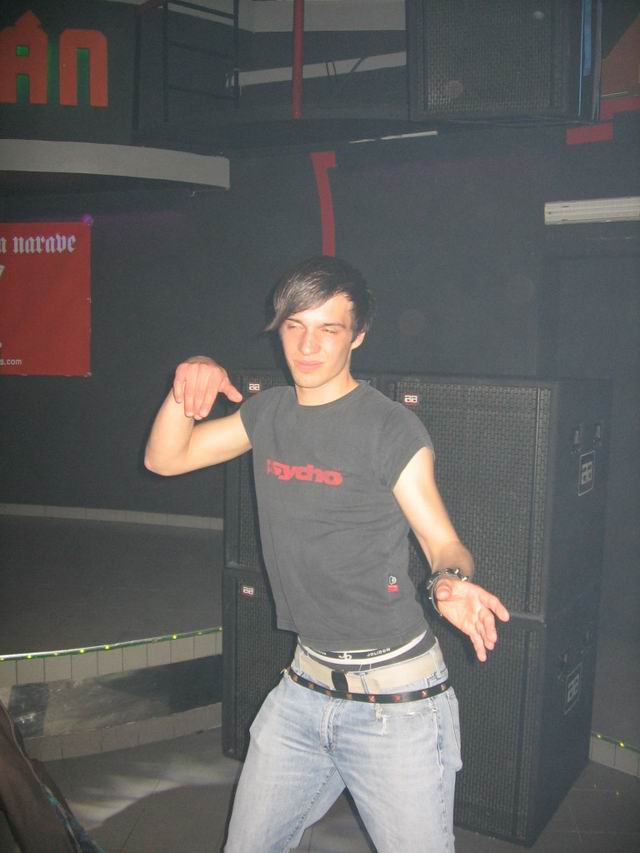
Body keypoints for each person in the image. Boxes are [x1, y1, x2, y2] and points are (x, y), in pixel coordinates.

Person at [145, 257, 510, 853]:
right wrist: (188, 387)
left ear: (357, 335)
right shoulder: (266, 413)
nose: (308, 346)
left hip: (396, 703)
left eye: (328, 329)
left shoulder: (390, 429)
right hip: (303, 688)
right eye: (294, 327)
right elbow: (165, 459)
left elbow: (442, 542)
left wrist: (449, 580)